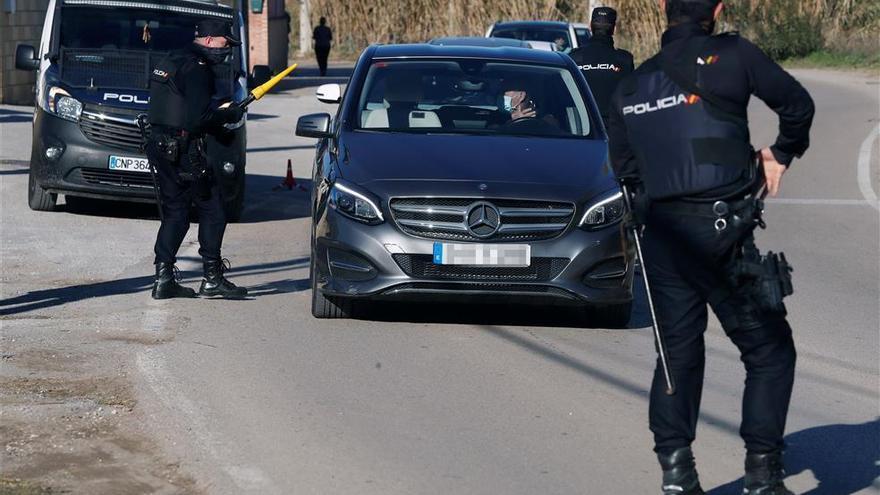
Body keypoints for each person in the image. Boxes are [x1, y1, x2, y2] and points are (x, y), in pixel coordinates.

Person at [606, 0, 814, 494]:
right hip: (723, 235)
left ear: (662, 9)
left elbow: (625, 173)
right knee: (769, 351)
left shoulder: (630, 87)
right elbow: (797, 105)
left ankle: (677, 475)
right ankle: (762, 477)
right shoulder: (734, 55)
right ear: (716, 9)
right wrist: (779, 155)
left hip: (662, 240)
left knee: (677, 356)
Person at [146, 19, 248, 300]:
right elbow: (197, 119)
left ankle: (163, 277)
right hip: (185, 149)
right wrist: (228, 115)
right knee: (214, 209)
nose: (228, 51)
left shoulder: (171, 59)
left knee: (176, 212)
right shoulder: (198, 68)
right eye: (227, 44)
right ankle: (212, 278)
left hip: (160, 146)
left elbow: (173, 105)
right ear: (211, 40)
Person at [568, 7, 634, 122]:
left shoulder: (574, 58)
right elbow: (630, 98)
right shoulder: (625, 60)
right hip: (613, 130)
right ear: (614, 29)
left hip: (582, 129)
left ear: (590, 27)